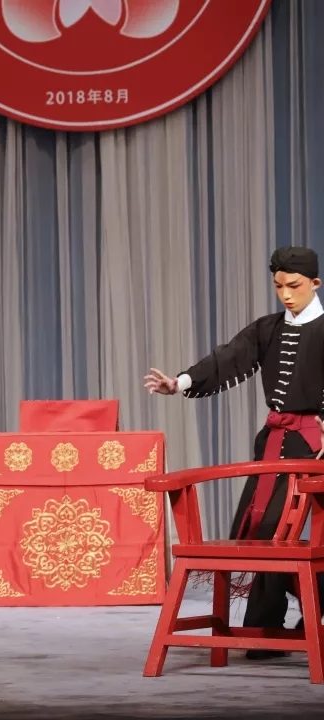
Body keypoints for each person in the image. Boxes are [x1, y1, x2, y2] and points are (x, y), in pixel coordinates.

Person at [144, 246, 324, 658]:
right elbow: (227, 357)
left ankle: (302, 617)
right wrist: (180, 382)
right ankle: (265, 625)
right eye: (278, 286)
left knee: (299, 537)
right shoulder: (268, 329)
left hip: (316, 447)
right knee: (265, 533)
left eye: (294, 286)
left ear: (315, 283)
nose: (286, 294)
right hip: (276, 445)